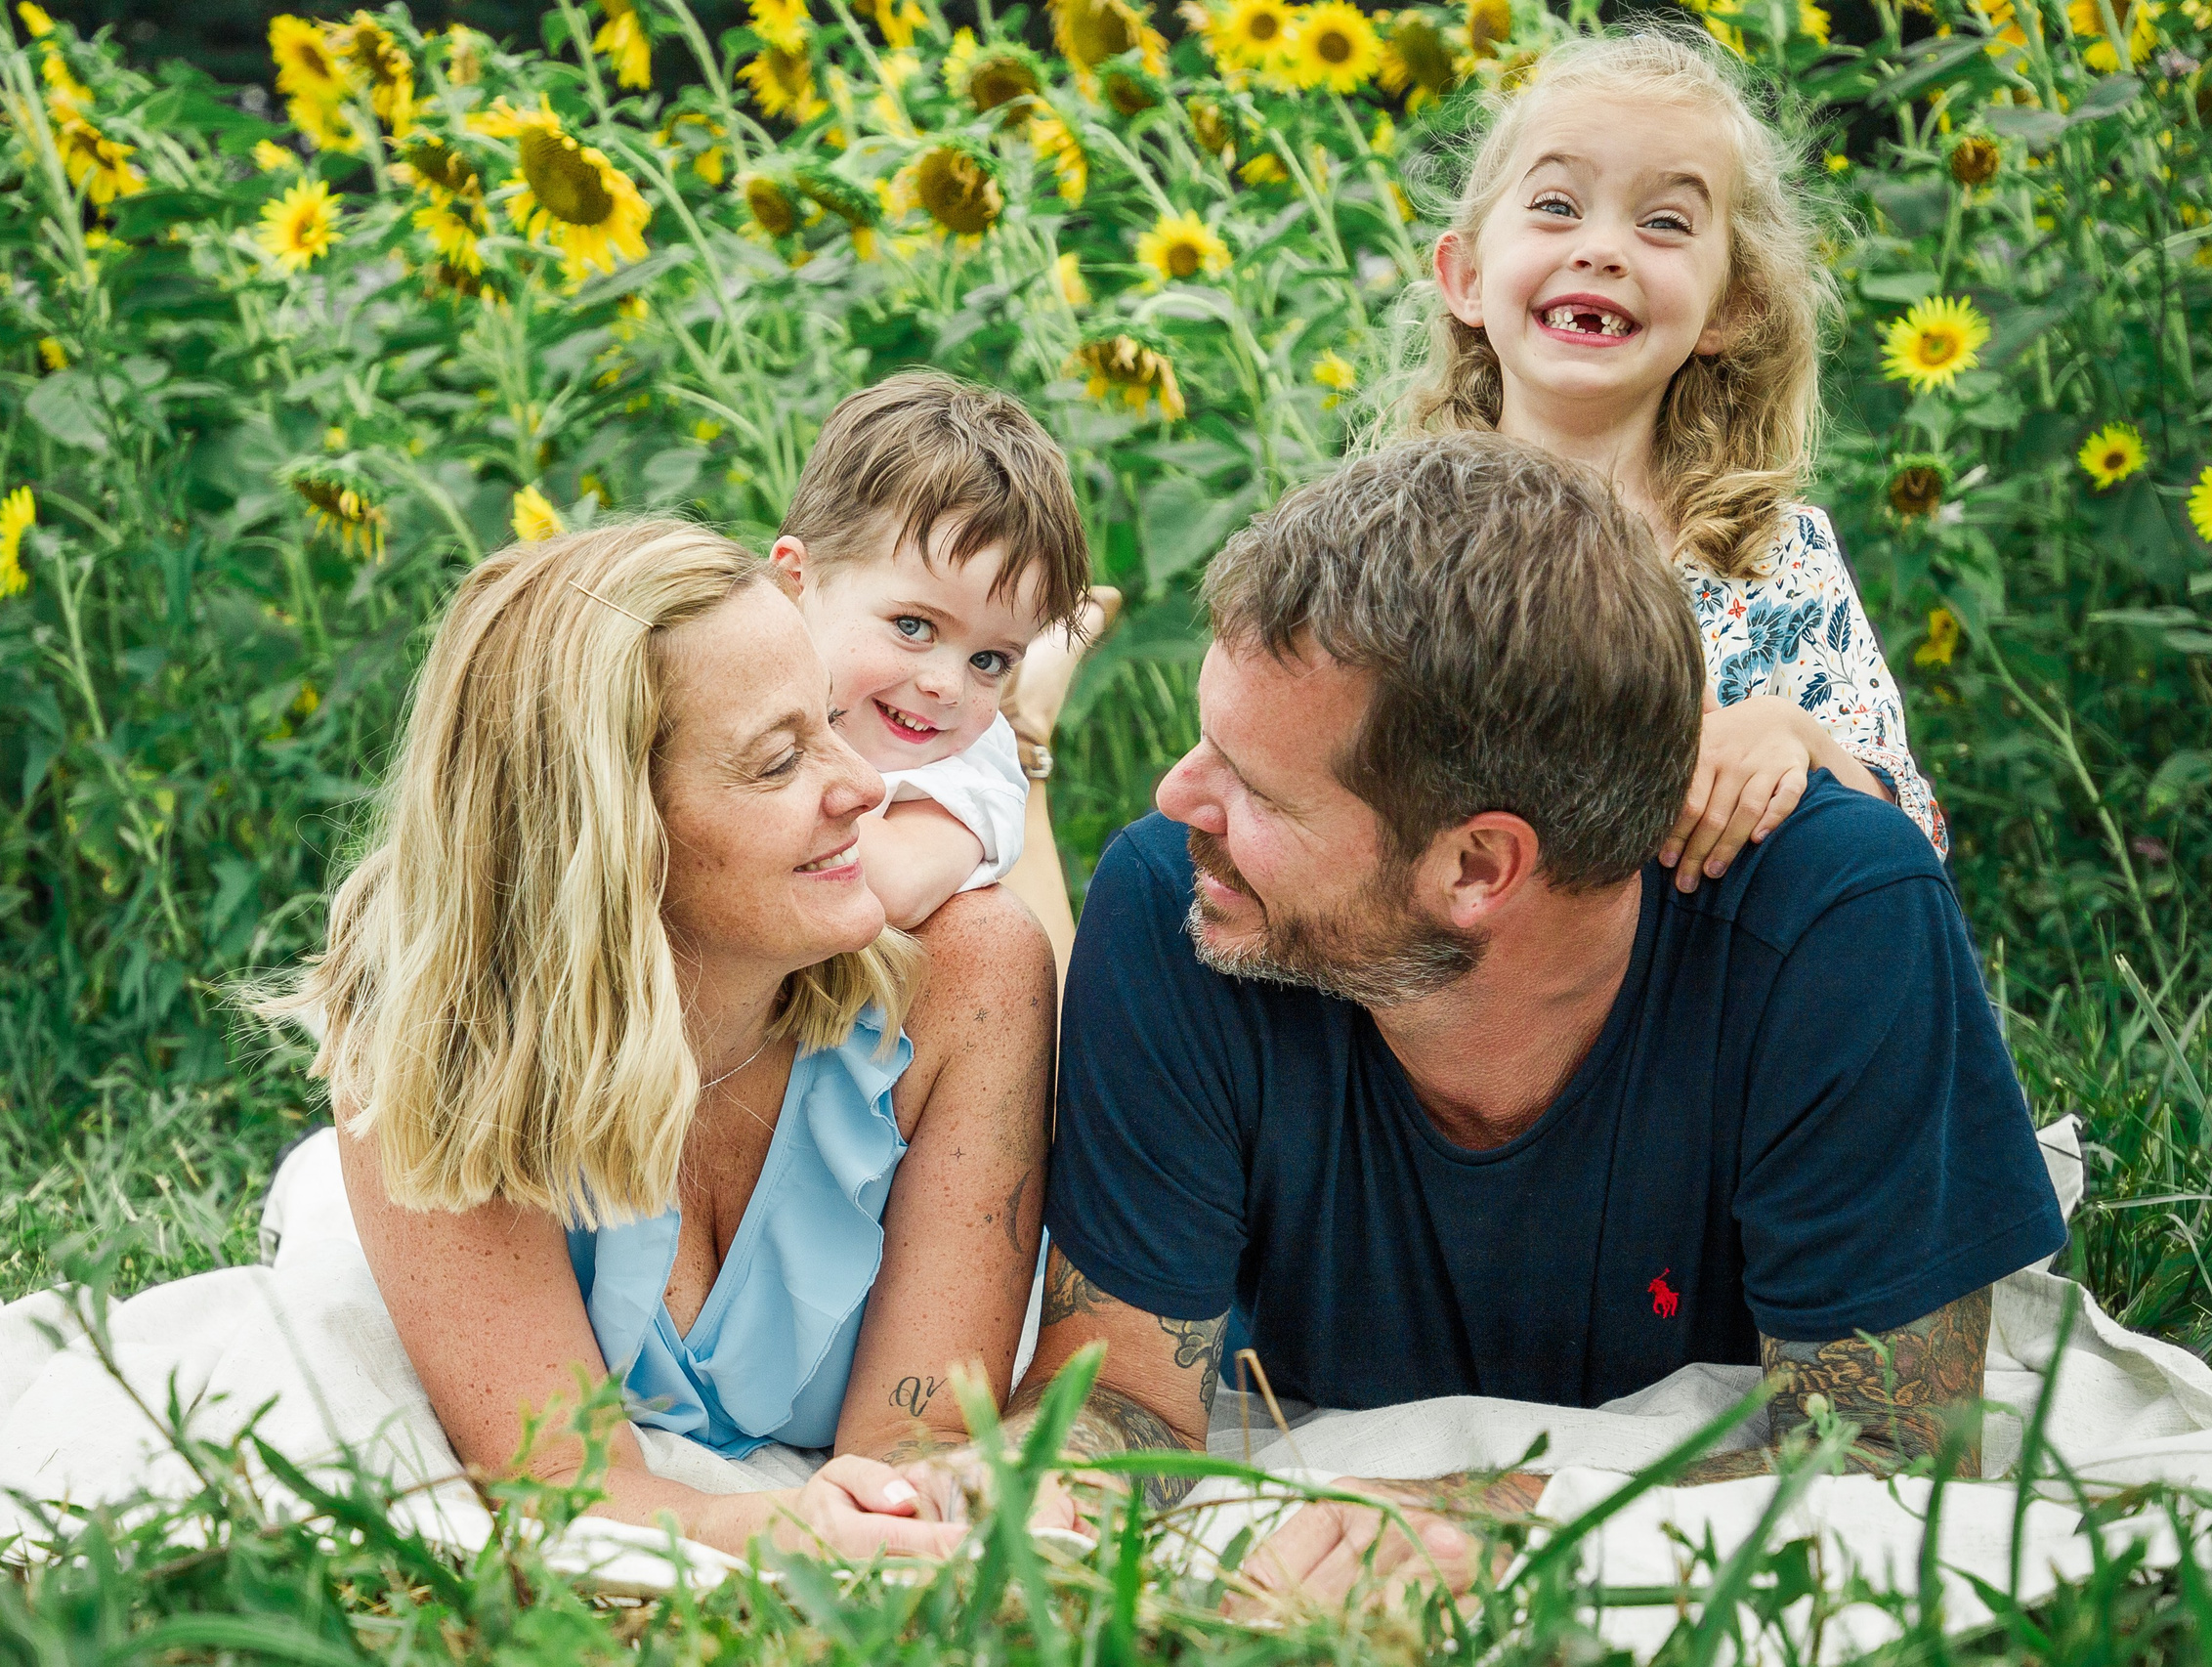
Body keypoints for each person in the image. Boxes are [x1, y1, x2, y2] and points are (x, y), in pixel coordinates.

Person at [1013, 433, 2063, 1606]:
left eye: (1255, 788)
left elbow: (1893, 1464)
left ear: (1478, 863)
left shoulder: (1832, 920)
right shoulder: (1180, 904)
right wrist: (1026, 1491)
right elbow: (1125, 1406)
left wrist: (1499, 1525)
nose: (1175, 796)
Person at [257, 520, 1056, 1560]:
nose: (865, 787)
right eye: (778, 759)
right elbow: (553, 1476)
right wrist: (779, 1527)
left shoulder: (973, 976)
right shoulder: (433, 1031)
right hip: (479, 1106)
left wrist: (894, 1510)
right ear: (604, 828)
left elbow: (918, 1442)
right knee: (328, 1250)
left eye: (830, 718)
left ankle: (1025, 743)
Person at [1393, 25, 1946, 889]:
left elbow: (1908, 853)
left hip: (1710, 982)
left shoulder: (1772, 560)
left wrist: (1793, 739)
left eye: (1664, 222)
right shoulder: (1390, 544)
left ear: (1732, 307)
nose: (1602, 248)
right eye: (1556, 206)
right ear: (1464, 276)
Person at [767, 369, 1102, 934]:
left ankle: (1025, 737)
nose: (946, 686)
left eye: (989, 660)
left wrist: (752, 773)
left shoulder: (968, 769)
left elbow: (897, 885)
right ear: (794, 583)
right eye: (913, 625)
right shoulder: (728, 668)